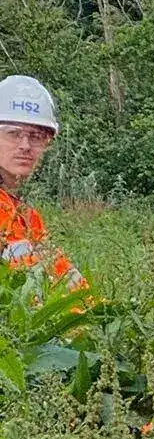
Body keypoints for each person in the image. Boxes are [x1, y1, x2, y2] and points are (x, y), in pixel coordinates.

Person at [0, 75, 87, 298]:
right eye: (13, 133)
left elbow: (67, 280)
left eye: (36, 136)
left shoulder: (27, 217)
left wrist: (96, 313)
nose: (25, 146)